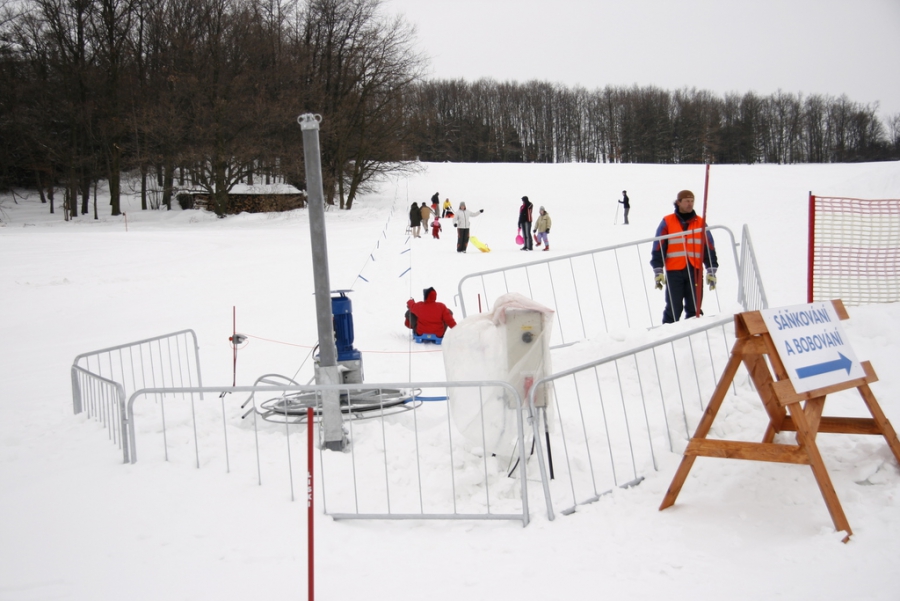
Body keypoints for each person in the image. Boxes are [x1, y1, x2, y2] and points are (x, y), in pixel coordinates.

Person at [649, 190, 718, 324]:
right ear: (678, 202)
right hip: (674, 271)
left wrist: (711, 269)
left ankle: (694, 332)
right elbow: (658, 246)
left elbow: (709, 247)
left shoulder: (701, 222)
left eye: (692, 201)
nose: (690, 204)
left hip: (695, 270)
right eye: (686, 201)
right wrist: (658, 269)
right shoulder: (667, 221)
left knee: (695, 308)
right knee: (673, 308)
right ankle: (668, 333)